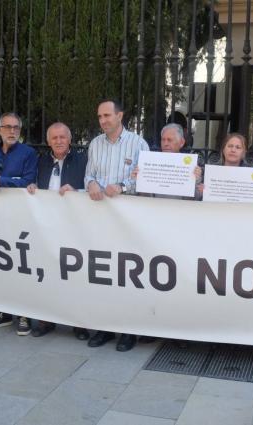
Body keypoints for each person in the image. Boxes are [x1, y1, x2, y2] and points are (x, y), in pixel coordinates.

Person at [83, 99, 149, 352]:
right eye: (100, 116)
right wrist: (90, 184)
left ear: (120, 115)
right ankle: (104, 327)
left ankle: (129, 331)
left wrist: (122, 187)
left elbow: (144, 178)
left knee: (127, 274)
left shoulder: (138, 143)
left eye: (107, 115)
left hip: (126, 220)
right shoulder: (95, 144)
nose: (103, 121)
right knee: (104, 273)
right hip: (99, 218)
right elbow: (89, 173)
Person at [26, 122, 89, 340]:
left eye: (63, 137)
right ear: (48, 141)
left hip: (74, 227)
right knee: (48, 273)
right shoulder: (41, 160)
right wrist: (32, 187)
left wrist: (76, 191)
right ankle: (46, 319)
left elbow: (91, 188)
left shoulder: (82, 160)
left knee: (74, 276)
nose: (59, 141)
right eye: (54, 138)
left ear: (70, 139)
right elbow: (32, 183)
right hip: (46, 227)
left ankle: (78, 323)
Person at [0, 112, 38, 336]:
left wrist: (1, 180)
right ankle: (3, 311)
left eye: (16, 128)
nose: (12, 131)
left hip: (20, 219)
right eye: (8, 127)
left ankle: (24, 315)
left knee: (22, 266)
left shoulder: (29, 153)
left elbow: (29, 180)